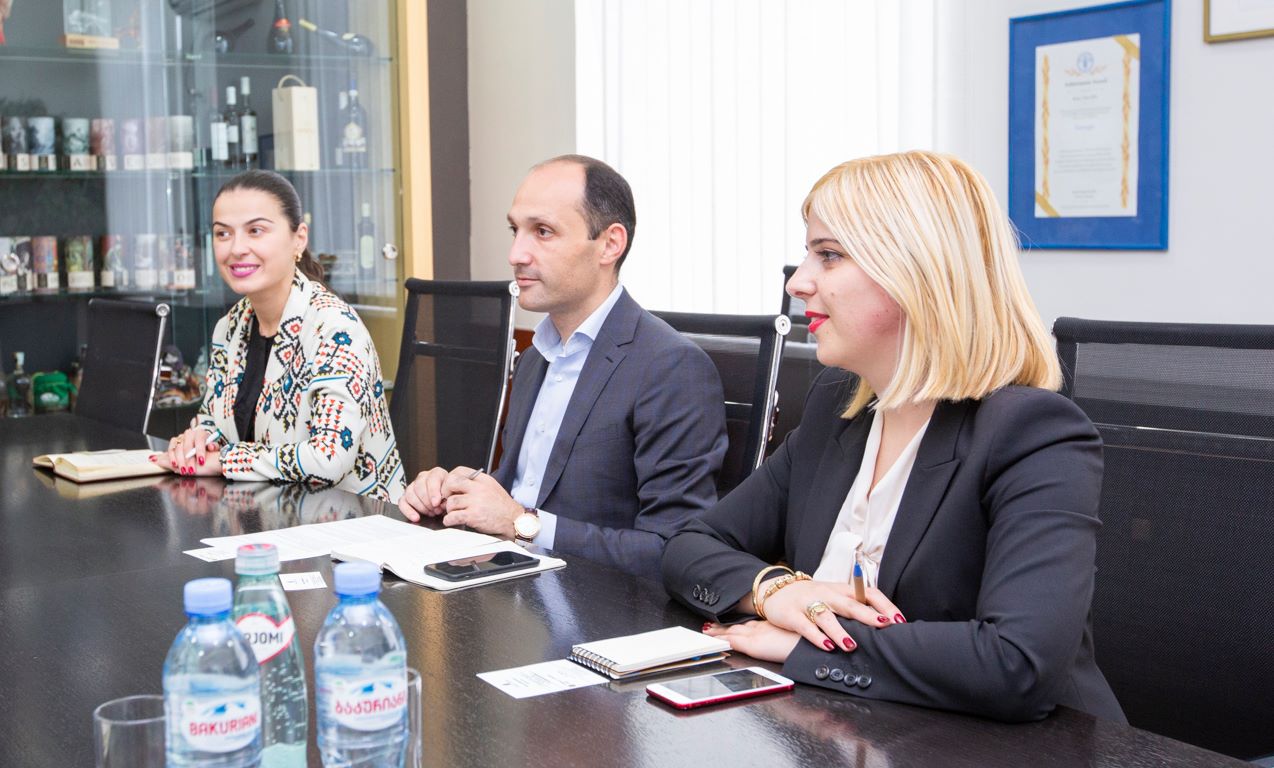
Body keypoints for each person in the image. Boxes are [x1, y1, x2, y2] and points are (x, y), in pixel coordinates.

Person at [661, 151, 1125, 723]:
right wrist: (776, 591)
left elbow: (1016, 664)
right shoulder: (839, 407)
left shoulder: (1033, 434)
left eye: (829, 255)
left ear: (916, 272)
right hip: (847, 728)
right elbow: (689, 544)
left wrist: (805, 648)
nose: (798, 282)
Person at [399, 154, 727, 577]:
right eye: (515, 230)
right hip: (514, 584)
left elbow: (673, 550)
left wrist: (521, 523)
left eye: (543, 232)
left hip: (592, 603)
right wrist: (458, 493)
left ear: (610, 244)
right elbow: (522, 489)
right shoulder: (537, 357)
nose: (516, 254)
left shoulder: (671, 368)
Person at [155, 170, 404, 502]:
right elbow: (213, 421)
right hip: (267, 514)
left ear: (298, 238)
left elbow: (329, 459)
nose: (236, 248)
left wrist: (225, 460)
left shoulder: (335, 329)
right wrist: (197, 442)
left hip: (352, 521)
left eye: (255, 231)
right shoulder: (230, 327)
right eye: (223, 233)